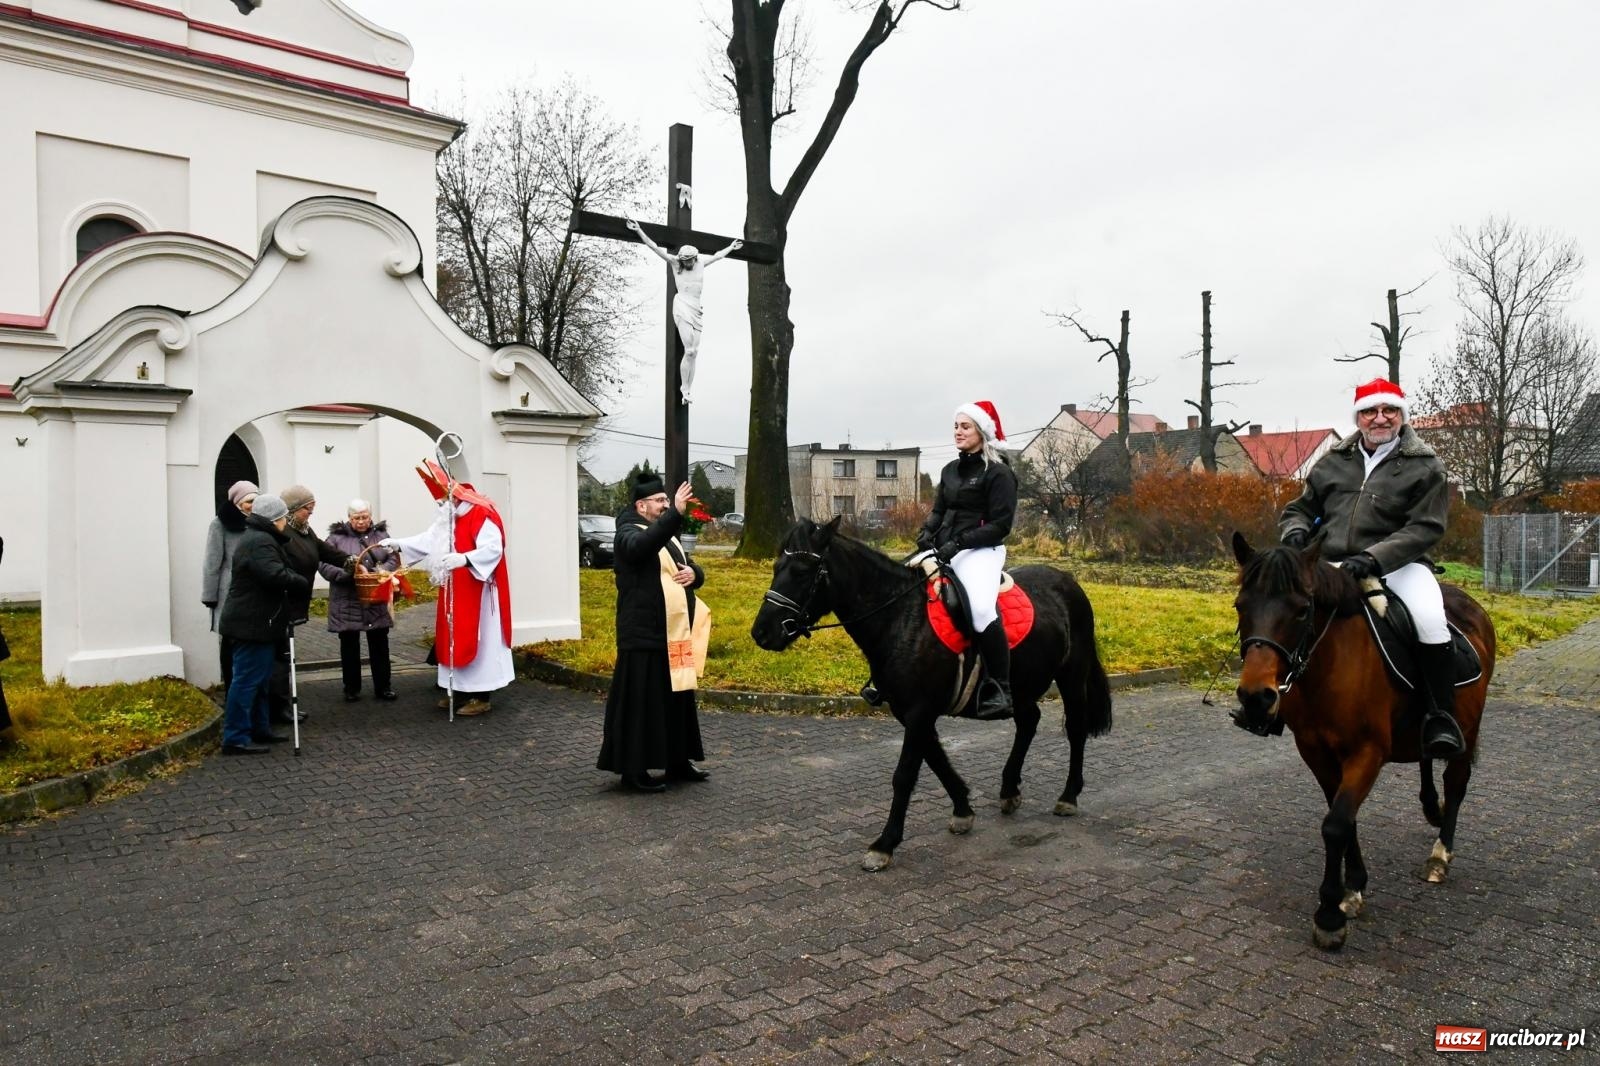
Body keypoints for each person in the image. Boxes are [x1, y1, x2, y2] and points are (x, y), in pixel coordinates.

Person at [1280, 377, 1464, 758]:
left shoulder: (1426, 465)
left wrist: (1375, 557)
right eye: (1370, 411)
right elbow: (1300, 509)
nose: (1379, 419)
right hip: (1332, 563)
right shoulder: (1332, 462)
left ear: (1401, 415)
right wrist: (1296, 534)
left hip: (1401, 565)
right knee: (1278, 610)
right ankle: (1272, 706)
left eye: (1389, 410)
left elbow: (1426, 526)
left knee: (1430, 619)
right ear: (1358, 418)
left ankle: (1440, 717)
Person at [597, 472, 711, 792]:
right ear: (641, 505)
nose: (664, 505)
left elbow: (684, 565)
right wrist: (674, 512)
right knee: (642, 705)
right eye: (659, 501)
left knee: (678, 700)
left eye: (666, 501)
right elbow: (642, 549)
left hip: (675, 633)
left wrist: (695, 573)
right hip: (643, 634)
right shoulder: (627, 533)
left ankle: (677, 761)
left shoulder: (665, 533)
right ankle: (633, 771)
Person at [380, 462, 514, 717]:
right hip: (454, 590)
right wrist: (398, 544)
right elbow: (429, 540)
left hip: (479, 592)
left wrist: (465, 559)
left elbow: (494, 549)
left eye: (443, 501)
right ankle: (460, 690)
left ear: (454, 496)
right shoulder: (449, 516)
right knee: (453, 639)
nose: (441, 507)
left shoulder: (481, 513)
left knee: (479, 641)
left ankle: (481, 695)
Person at [915, 400, 1018, 720]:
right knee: (905, 588)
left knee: (982, 609)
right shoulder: (949, 471)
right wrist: (926, 533)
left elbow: (1001, 526)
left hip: (981, 551)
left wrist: (958, 544)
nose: (958, 432)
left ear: (981, 432)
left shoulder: (999, 474)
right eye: (956, 426)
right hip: (946, 547)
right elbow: (939, 511)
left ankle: (1000, 688)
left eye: (965, 426)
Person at [217, 494, 307, 755]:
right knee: (246, 681)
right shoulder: (260, 541)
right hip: (251, 623)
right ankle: (235, 737)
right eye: (282, 518)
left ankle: (259, 728)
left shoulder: (259, 537)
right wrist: (298, 581)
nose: (284, 523)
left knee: (259, 681)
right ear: (275, 519)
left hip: (260, 622)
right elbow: (274, 575)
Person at [624, 218, 742, 405]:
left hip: (696, 307)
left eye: (689, 261)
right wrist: (639, 230)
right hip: (682, 305)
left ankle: (688, 389)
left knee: (694, 352)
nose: (687, 264)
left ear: (694, 258)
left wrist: (731, 248)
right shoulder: (674, 263)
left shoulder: (701, 264)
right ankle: (684, 389)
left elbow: (718, 256)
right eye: (684, 261)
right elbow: (654, 247)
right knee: (689, 349)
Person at [273, 484, 357, 722]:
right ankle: (279, 707)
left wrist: (351, 560)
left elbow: (323, 550)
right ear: (293, 509)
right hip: (282, 602)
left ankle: (283, 704)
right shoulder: (282, 533)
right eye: (307, 509)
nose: (310, 513)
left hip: (295, 601)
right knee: (281, 657)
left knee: (285, 655)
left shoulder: (304, 530)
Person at [322, 498, 399, 703]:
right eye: (356, 518)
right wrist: (348, 573)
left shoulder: (381, 535)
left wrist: (379, 572)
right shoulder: (336, 538)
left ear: (370, 516)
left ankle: (383, 687)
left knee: (380, 644)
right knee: (349, 645)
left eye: (364, 517)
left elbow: (394, 558)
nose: (361, 521)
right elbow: (324, 564)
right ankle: (351, 688)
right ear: (349, 518)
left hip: (375, 596)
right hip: (347, 599)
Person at [200, 480, 258, 688]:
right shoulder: (220, 524)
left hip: (254, 593)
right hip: (229, 592)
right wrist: (210, 595)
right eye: (249, 500)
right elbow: (212, 562)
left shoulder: (258, 523)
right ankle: (230, 689)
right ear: (238, 502)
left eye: (256, 500)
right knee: (230, 642)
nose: (253, 504)